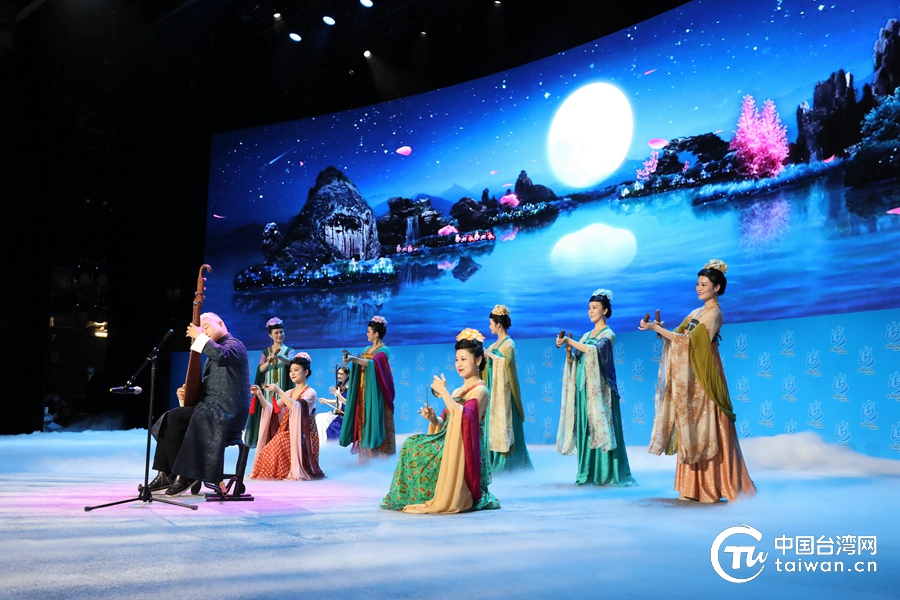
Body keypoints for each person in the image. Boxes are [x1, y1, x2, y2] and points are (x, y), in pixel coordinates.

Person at [639, 259, 756, 502]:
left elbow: (690, 342)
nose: (699, 288)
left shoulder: (714, 314)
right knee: (690, 424)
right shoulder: (695, 312)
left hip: (704, 374)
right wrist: (660, 329)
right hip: (690, 376)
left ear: (717, 288)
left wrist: (656, 330)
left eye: (704, 284)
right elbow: (678, 336)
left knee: (709, 424)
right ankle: (692, 488)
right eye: (698, 284)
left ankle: (713, 486)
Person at [380, 328, 501, 513]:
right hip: (448, 441)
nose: (459, 364)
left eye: (464, 359)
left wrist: (444, 392)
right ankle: (414, 495)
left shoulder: (480, 391)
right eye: (456, 359)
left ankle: (433, 494)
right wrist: (433, 419)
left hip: (464, 450)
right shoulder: (458, 391)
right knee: (411, 443)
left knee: (414, 447)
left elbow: (465, 418)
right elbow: (446, 421)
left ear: (478, 360)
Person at [145, 312, 250, 496]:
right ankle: (166, 473)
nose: (203, 332)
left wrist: (199, 337)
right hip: (211, 408)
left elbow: (223, 355)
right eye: (201, 329)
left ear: (221, 323)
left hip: (228, 410)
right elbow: (211, 386)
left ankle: (187, 473)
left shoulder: (235, 345)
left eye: (206, 327)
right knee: (171, 418)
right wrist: (189, 391)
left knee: (187, 417)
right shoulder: (212, 353)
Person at [556, 289, 635, 486]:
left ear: (605, 310)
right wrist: (569, 352)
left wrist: (569, 341)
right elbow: (579, 359)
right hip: (584, 389)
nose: (591, 311)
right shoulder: (585, 335)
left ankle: (606, 473)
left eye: (595, 308)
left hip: (601, 391)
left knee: (602, 425)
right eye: (589, 308)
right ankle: (587, 472)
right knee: (586, 428)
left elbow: (595, 351)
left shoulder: (609, 334)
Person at [248, 353, 324, 481]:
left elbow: (296, 407)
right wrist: (260, 395)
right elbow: (272, 409)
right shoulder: (289, 392)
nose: (292, 373)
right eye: (291, 370)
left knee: (278, 442)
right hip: (287, 432)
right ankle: (277, 472)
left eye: (296, 370)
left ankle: (288, 470)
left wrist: (280, 392)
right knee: (268, 449)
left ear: (306, 372)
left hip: (303, 434)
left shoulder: (311, 393)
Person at [483, 304, 533, 472]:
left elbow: (506, 363)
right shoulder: (493, 345)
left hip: (505, 395)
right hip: (494, 394)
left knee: (506, 424)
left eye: (491, 324)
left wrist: (490, 355)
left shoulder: (508, 344)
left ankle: (510, 464)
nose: (489, 327)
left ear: (498, 324)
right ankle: (492, 460)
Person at [338, 316, 396, 461]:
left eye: (369, 331)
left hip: (376, 393)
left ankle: (382, 457)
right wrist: (350, 359)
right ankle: (366, 457)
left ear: (376, 334)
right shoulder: (365, 349)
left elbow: (373, 363)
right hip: (363, 392)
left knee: (377, 421)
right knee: (364, 421)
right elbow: (360, 360)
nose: (366, 334)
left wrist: (354, 359)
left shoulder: (384, 350)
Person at [246, 317, 296, 447]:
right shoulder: (266, 352)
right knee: (268, 412)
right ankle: (267, 440)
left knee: (281, 413)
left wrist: (279, 356)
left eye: (281, 332)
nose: (279, 335)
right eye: (276, 333)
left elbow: (291, 362)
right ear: (270, 335)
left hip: (282, 388)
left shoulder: (289, 351)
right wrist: (269, 360)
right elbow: (261, 369)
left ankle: (281, 440)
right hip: (268, 388)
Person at [316, 365, 349, 442]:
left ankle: (326, 442)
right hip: (336, 412)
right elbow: (338, 401)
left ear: (347, 375)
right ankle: (322, 443)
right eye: (338, 374)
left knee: (321, 419)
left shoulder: (350, 387)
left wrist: (338, 394)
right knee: (318, 417)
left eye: (341, 374)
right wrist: (326, 400)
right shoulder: (341, 385)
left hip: (343, 415)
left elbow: (348, 403)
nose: (339, 376)